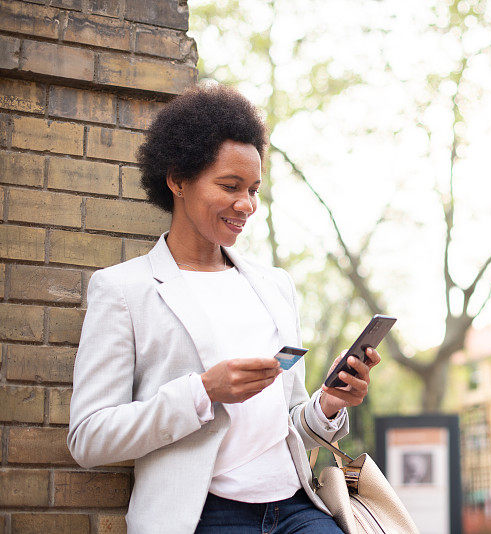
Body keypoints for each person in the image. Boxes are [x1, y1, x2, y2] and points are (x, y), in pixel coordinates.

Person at [68, 84, 380, 533]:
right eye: (230, 186)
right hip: (206, 515)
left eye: (253, 190)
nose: (247, 205)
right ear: (177, 180)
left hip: (294, 509)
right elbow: (89, 438)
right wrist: (202, 392)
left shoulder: (275, 287)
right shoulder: (122, 290)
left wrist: (329, 404)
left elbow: (291, 425)